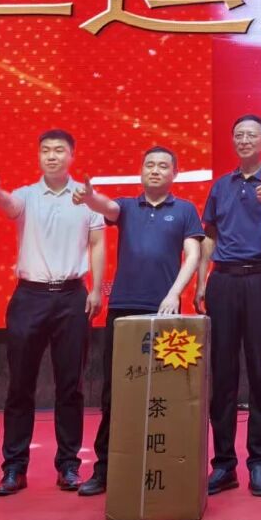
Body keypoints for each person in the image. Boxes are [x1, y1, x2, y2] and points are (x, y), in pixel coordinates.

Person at [71, 146, 204, 497]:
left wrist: (174, 294)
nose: (155, 170)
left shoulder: (185, 210)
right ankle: (105, 469)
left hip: (167, 313)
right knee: (115, 392)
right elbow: (106, 207)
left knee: (168, 392)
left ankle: (169, 466)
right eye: (149, 165)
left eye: (163, 166)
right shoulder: (128, 207)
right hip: (124, 310)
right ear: (141, 171)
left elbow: (193, 255)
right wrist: (90, 197)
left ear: (174, 173)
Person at [0, 129, 105, 497]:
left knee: (71, 387)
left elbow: (98, 243)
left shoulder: (85, 197)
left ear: (72, 156)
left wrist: (97, 288)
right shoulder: (26, 195)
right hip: (29, 298)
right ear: (38, 157)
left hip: (72, 297)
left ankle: (68, 466)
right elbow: (9, 206)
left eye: (59, 150)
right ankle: (13, 468)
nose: (52, 156)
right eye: (46, 151)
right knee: (20, 386)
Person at [194, 114, 261, 497]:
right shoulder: (221, 185)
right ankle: (223, 464)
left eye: (251, 135)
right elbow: (209, 236)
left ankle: (259, 463)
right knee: (222, 373)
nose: (244, 140)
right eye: (238, 135)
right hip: (223, 281)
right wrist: (202, 280)